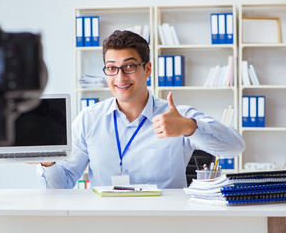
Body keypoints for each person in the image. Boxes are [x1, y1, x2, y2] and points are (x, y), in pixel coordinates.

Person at [37, 30, 245, 189]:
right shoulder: (88, 119)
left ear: (147, 69)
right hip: (107, 221)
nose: (120, 77)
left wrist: (190, 127)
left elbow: (235, 147)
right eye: (111, 68)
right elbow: (62, 185)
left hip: (164, 222)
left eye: (129, 66)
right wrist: (48, 161)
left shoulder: (177, 117)